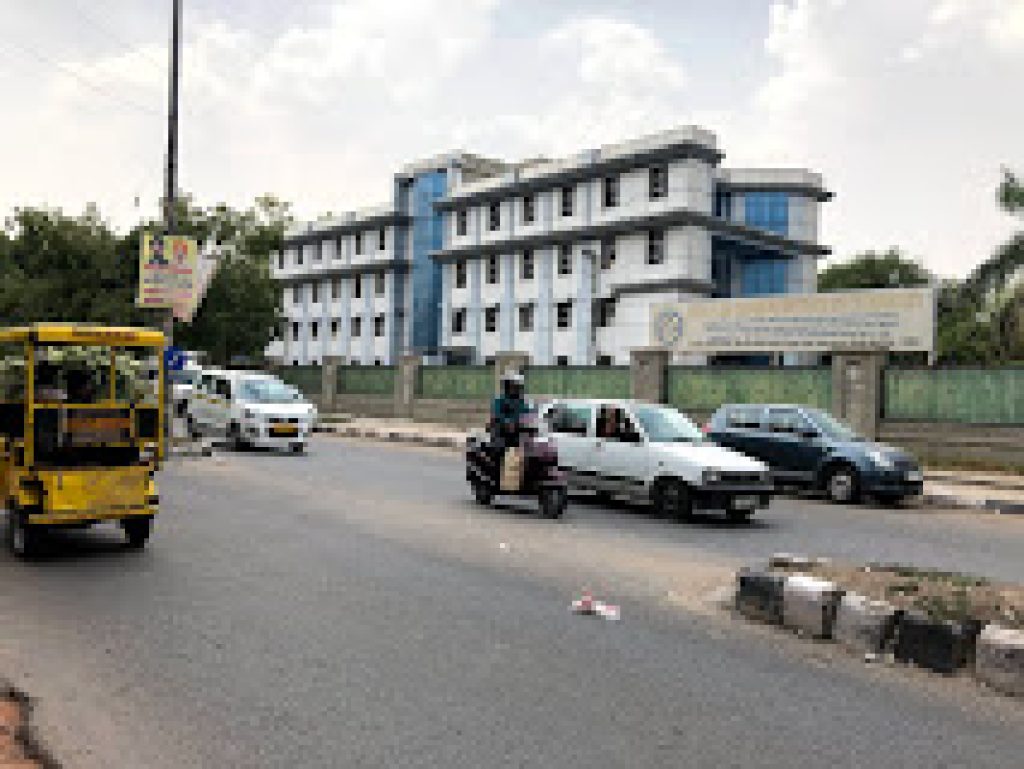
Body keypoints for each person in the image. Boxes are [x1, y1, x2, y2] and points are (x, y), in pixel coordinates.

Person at [488, 371, 533, 471]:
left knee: (531, 450)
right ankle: (496, 469)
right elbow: (496, 414)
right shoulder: (499, 400)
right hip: (502, 431)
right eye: (511, 386)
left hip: (519, 431)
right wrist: (507, 421)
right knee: (498, 448)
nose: (514, 389)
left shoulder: (523, 402)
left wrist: (521, 423)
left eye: (516, 386)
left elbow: (528, 415)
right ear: (507, 386)